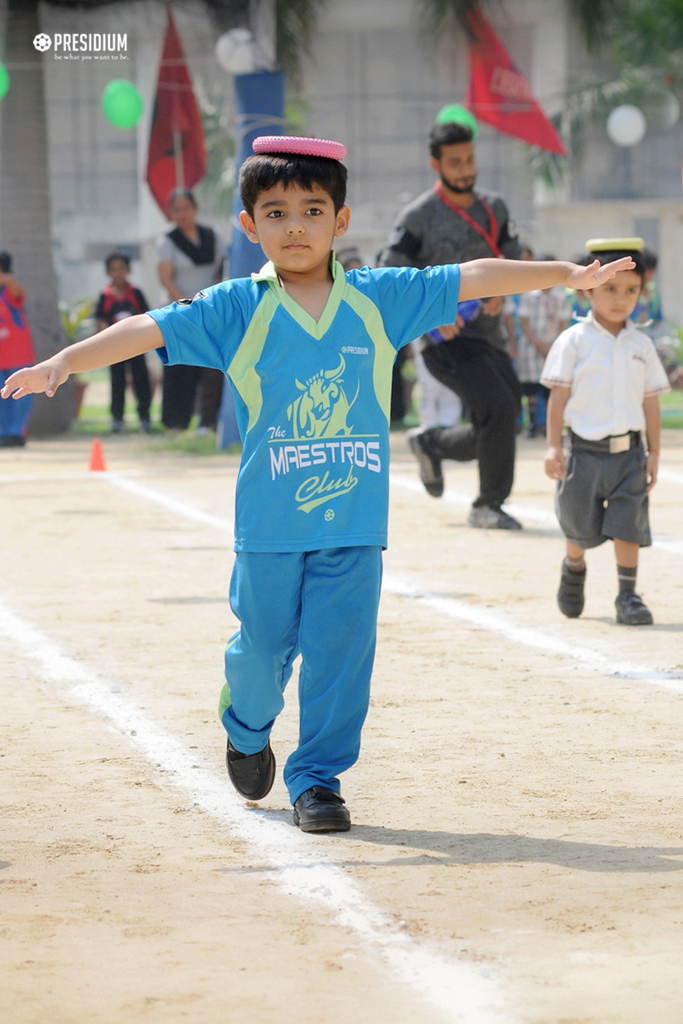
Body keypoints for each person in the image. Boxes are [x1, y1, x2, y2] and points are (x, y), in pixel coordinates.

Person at [1, 136, 634, 831]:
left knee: (340, 655)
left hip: (354, 526)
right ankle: (246, 726)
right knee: (260, 653)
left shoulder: (378, 300)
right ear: (249, 226)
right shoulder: (234, 308)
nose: (295, 226)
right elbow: (146, 330)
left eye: (312, 209)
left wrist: (565, 274)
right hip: (270, 528)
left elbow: (474, 275)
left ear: (341, 220)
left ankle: (317, 779)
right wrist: (62, 361)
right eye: (275, 213)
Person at [380, 120, 524, 529]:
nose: (465, 168)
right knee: (497, 408)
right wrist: (429, 320)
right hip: (444, 340)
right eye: (455, 161)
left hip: (489, 336)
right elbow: (390, 276)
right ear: (436, 164)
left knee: (502, 416)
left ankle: (432, 443)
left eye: (470, 159)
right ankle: (488, 505)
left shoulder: (494, 208)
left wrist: (503, 290)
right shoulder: (418, 217)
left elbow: (516, 257)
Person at [542, 238, 670, 626]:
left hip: (629, 455)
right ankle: (574, 566)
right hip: (583, 453)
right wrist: (552, 447)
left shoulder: (642, 344)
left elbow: (650, 403)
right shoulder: (574, 342)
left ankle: (627, 596)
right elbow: (558, 399)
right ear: (588, 289)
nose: (621, 299)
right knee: (579, 526)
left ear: (642, 293)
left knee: (629, 524)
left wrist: (654, 453)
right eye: (609, 289)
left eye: (631, 290)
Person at [157, 188, 227, 433]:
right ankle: (176, 422)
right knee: (180, 365)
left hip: (211, 311)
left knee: (212, 368)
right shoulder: (168, 241)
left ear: (195, 209)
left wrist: (211, 303)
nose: (182, 214)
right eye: (177, 210)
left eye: (186, 208)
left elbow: (221, 269)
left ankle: (207, 421)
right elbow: (166, 278)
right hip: (181, 312)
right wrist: (187, 305)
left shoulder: (212, 236)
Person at [95, 252, 152, 433]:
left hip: (137, 345)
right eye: (113, 269)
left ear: (128, 270)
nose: (118, 273)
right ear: (107, 272)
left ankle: (144, 417)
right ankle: (117, 419)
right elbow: (100, 321)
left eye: (121, 269)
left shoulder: (135, 293)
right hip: (114, 347)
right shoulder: (105, 296)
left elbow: (147, 317)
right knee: (117, 382)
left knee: (141, 381)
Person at [517, 257, 570, 437]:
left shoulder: (560, 297)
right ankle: (532, 425)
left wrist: (554, 343)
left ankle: (549, 426)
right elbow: (523, 322)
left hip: (553, 345)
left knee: (550, 387)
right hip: (532, 345)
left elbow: (564, 322)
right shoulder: (529, 295)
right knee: (531, 386)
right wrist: (538, 343)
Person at [0, 252, 35, 447]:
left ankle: (17, 431)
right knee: (2, 396)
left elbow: (15, 290)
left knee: (20, 395)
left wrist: (6, 277)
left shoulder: (10, 291)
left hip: (18, 356)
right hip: (1, 357)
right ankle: (4, 431)